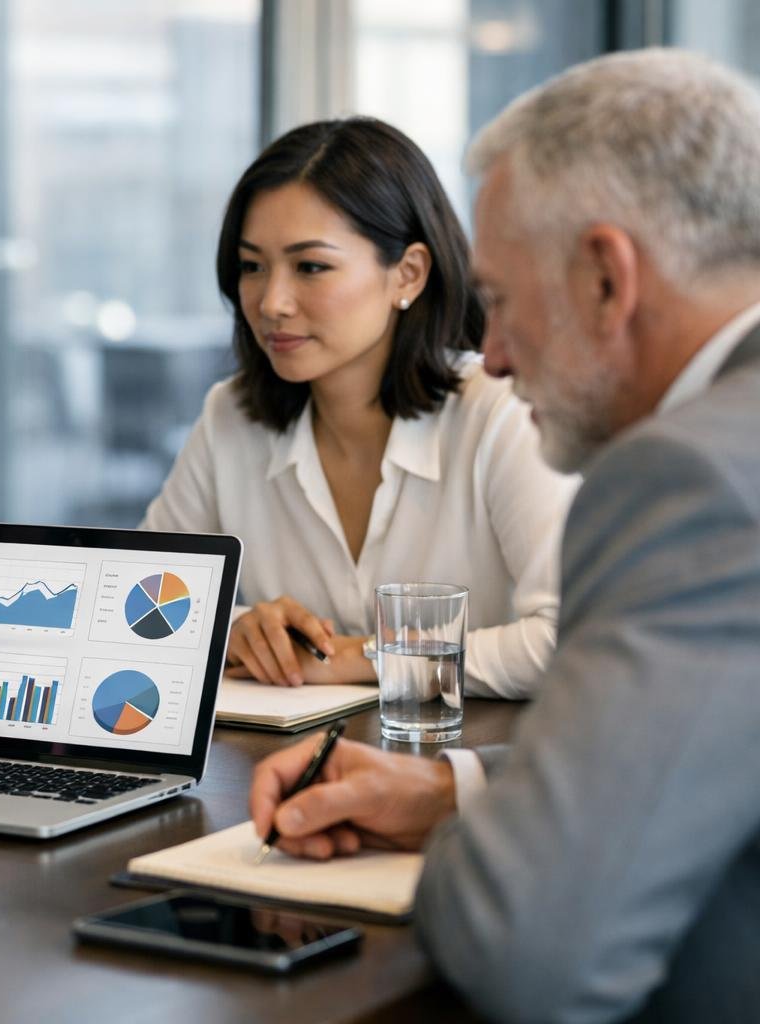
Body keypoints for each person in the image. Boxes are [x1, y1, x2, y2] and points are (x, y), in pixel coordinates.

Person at [249, 49, 760, 1022]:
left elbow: (525, 945)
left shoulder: (690, 476)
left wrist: (478, 846)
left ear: (606, 278)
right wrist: (459, 790)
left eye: (504, 302)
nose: (491, 354)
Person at [142, 118, 576, 699]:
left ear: (408, 274)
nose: (271, 302)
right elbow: (139, 600)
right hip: (294, 753)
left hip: (472, 752)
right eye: (252, 266)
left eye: (310, 267)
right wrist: (233, 629)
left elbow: (571, 638)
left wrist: (365, 656)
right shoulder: (232, 416)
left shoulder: (501, 413)